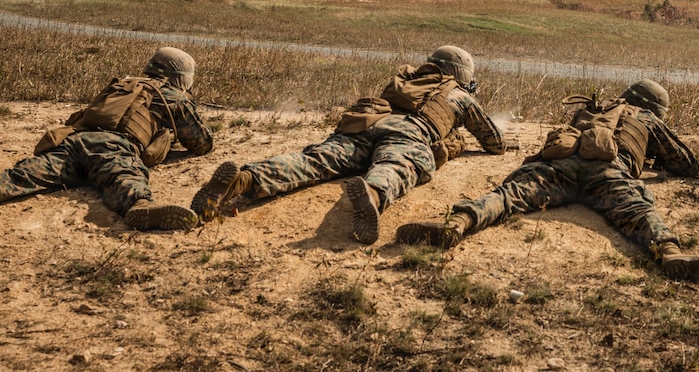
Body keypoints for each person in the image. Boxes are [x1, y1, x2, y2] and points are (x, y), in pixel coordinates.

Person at [395, 80, 699, 283]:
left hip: (557, 167)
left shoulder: (592, 111)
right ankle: (671, 255)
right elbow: (687, 165)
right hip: (609, 173)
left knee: (508, 196)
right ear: (655, 108)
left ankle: (458, 222)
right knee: (639, 212)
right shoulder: (644, 117)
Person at [191, 46, 507, 245]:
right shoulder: (459, 95)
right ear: (461, 76)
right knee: (394, 167)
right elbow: (494, 142)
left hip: (368, 123)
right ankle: (372, 193)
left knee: (314, 160)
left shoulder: (407, 77)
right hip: (410, 135)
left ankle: (243, 179)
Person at [0, 47, 213, 231]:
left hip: (75, 141)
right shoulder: (172, 96)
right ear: (182, 77)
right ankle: (140, 206)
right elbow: (201, 142)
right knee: (124, 176)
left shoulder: (123, 84)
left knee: (24, 174)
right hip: (113, 146)